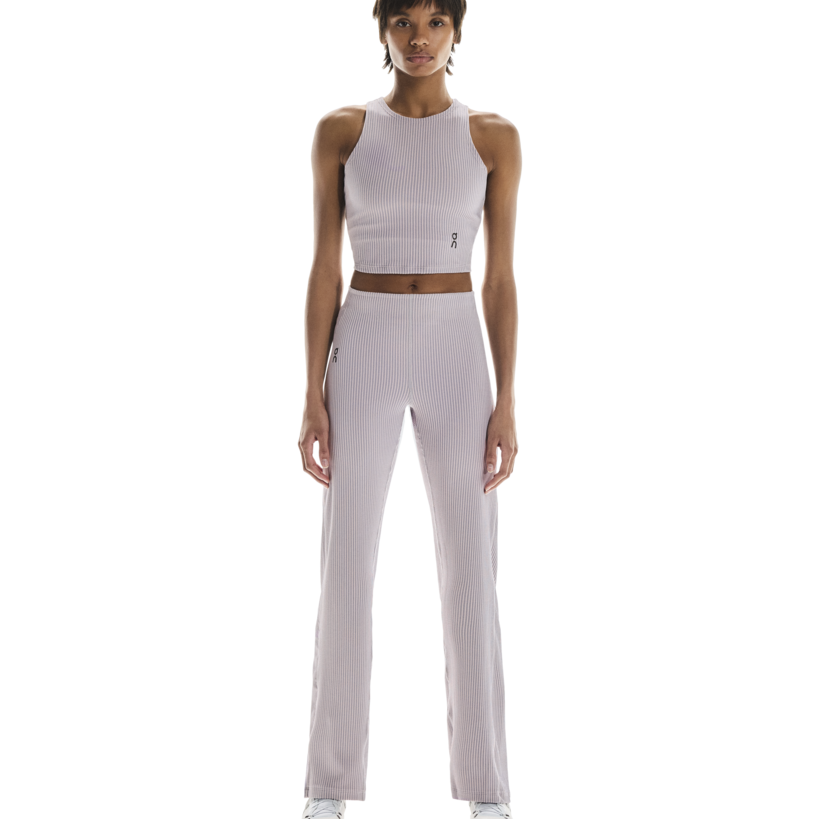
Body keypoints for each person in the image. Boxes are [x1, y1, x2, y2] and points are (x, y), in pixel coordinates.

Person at [297, 1, 522, 817]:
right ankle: (329, 784)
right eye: (402, 21)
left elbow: (501, 275)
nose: (418, 38)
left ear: (456, 32)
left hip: (456, 344)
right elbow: (325, 267)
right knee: (346, 558)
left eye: (433, 21)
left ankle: (485, 788)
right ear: (380, 29)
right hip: (366, 334)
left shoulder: (492, 135)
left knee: (470, 562)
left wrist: (506, 398)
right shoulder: (342, 130)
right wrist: (311, 395)